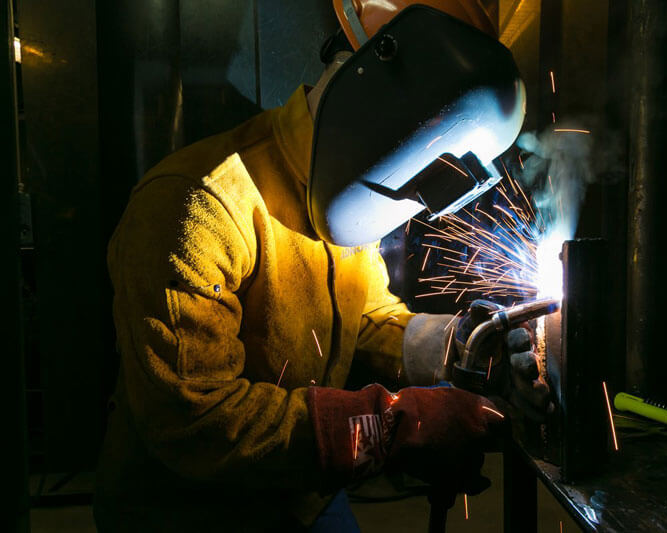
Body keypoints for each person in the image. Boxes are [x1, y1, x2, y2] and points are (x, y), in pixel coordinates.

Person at [94, 1, 548, 531]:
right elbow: (198, 420)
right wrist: (395, 427)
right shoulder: (198, 205)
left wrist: (456, 345)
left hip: (304, 490)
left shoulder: (349, 185)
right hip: (188, 509)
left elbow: (367, 316)